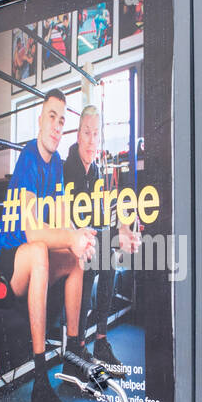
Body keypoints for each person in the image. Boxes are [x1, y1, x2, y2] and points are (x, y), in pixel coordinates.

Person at [0, 88, 95, 402]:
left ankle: (74, 353)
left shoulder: (59, 167)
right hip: (9, 263)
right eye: (52, 116)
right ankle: (40, 381)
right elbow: (34, 232)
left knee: (75, 259)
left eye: (62, 120)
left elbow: (62, 223)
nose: (56, 125)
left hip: (36, 261)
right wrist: (69, 237)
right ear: (39, 119)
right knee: (39, 251)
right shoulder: (28, 158)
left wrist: (79, 239)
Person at [62, 104, 137, 369]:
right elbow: (61, 215)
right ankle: (77, 347)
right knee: (92, 255)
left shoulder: (95, 171)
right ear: (78, 135)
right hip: (67, 242)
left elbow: (101, 217)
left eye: (96, 134)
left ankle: (101, 341)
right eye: (87, 133)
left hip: (89, 241)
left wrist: (121, 228)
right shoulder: (65, 167)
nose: (91, 140)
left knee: (109, 253)